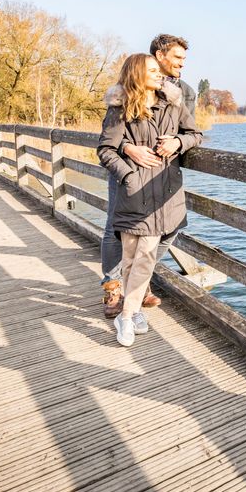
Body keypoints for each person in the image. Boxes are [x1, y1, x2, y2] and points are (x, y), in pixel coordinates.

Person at [97, 53, 202, 346]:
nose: (160, 75)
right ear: (136, 74)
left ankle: (127, 316)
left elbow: (195, 134)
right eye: (153, 70)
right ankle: (132, 314)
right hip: (135, 194)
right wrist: (129, 174)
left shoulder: (173, 103)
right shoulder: (120, 109)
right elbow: (105, 150)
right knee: (134, 257)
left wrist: (178, 142)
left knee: (143, 256)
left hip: (166, 192)